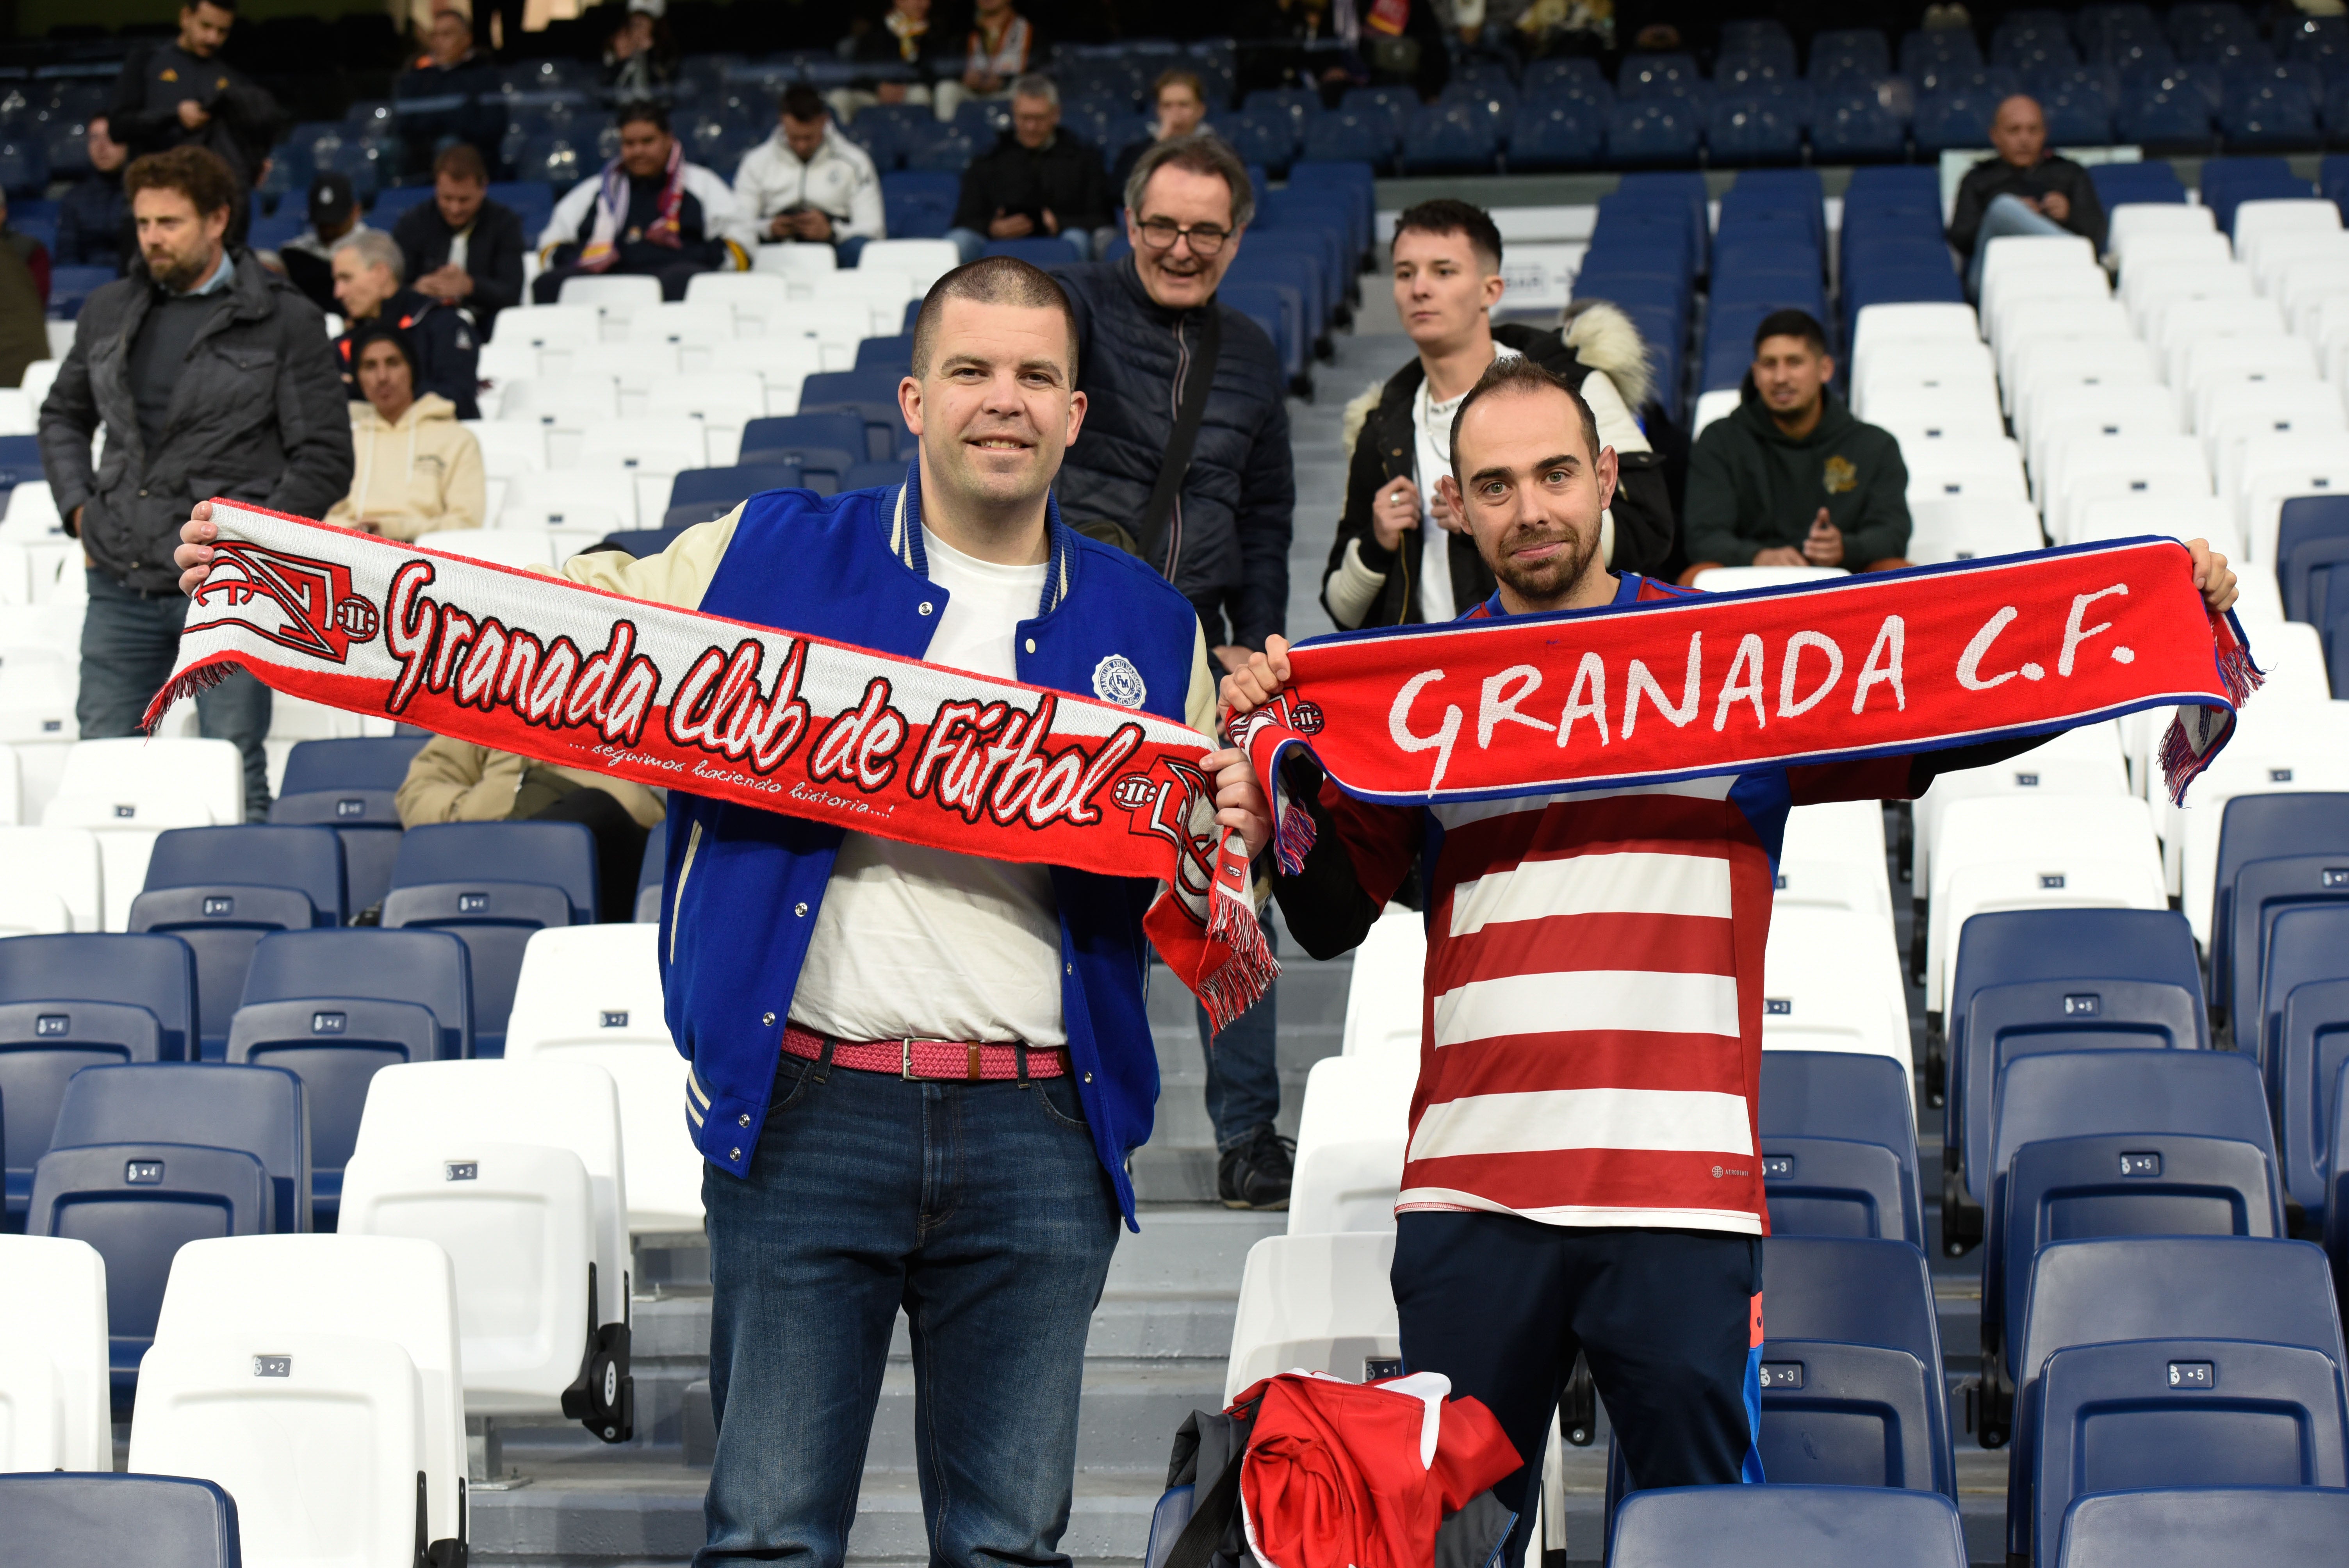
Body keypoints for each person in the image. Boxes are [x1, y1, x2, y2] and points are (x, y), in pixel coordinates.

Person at [177, 254, 1265, 1565]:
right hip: (809, 1105)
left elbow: (1201, 878)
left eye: (1037, 376)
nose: (1003, 401)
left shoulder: (1148, 625)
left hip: (1040, 1129)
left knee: (1005, 1546)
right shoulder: (759, 554)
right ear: (914, 398)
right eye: (971, 371)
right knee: (765, 1537)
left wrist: (1240, 821)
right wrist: (285, 577)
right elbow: (541, 632)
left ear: (1077, 414)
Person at [1220, 353, 2242, 1568]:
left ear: (1605, 475)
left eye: (1554, 473)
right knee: (1448, 1539)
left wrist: (2144, 612)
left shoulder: (1729, 657)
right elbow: (1335, 916)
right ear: (1455, 503)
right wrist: (1277, 781)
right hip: (1473, 1196)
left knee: (1702, 1537)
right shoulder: (1419, 694)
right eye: (1493, 485)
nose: (1528, 508)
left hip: (1676, 1199)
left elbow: (1942, 708)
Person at [1053, 131, 1296, 1208]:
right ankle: (1081, 1122)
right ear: (1129, 221)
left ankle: (1248, 1138)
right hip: (1068, 649)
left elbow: (1270, 510)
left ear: (1237, 240)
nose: (1182, 248)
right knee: (1076, 885)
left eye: (1207, 231)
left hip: (1198, 658)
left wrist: (1264, 635)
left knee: (1229, 884)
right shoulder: (1071, 314)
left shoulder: (1251, 350)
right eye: (1164, 226)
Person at [44, 145, 351, 818]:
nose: (151, 236)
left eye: (170, 222)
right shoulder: (108, 308)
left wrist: (247, 547)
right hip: (118, 578)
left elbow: (326, 455)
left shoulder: (285, 317)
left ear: (218, 219)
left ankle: (251, 912)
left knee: (234, 771)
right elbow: (63, 414)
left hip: (226, 590)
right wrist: (78, 513)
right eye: (144, 221)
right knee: (103, 771)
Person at [1322, 199, 1674, 630]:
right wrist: (1375, 544)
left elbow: (1653, 531)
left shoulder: (1574, 386)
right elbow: (1341, 610)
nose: (1419, 288)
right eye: (1404, 273)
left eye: (1443, 271)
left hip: (1573, 654)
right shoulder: (1380, 424)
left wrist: (1492, 522)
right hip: (1436, 681)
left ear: (1491, 290)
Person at [1681, 308, 1912, 581]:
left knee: (1899, 572)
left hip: (1846, 580)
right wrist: (1758, 556)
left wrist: (1845, 548)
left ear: (1825, 369)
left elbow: (1893, 532)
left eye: (1794, 362)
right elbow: (1702, 537)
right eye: (1769, 364)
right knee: (1695, 578)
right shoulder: (1719, 440)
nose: (1780, 377)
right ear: (1756, 373)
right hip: (1748, 581)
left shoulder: (1875, 445)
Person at [396, 734, 661, 923]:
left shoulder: (632, 684)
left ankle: (433, 900)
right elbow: (418, 792)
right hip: (504, 834)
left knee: (594, 809)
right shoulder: (489, 694)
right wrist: (476, 813)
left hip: (617, 847)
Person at [533, 101, 754, 303]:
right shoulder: (597, 190)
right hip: (605, 283)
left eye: (648, 142)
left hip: (672, 284)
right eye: (629, 143)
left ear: (669, 140)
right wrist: (590, 258)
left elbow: (740, 243)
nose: (638, 151)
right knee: (550, 283)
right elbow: (551, 245)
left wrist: (690, 258)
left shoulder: (701, 184)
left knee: (683, 278)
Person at [107, 0, 279, 216]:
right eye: (206, 26)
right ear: (186, 17)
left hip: (207, 210)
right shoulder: (147, 61)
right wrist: (174, 116)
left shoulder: (231, 79)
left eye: (222, 31)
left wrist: (255, 163)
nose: (212, 38)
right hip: (151, 203)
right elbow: (118, 127)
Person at [325, 318, 486, 540]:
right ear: (358, 378)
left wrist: (394, 530)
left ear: (412, 369)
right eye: (370, 366)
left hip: (427, 561)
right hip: (347, 554)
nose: (382, 377)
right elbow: (320, 518)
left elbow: (467, 524)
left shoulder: (457, 440)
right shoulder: (343, 437)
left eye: (393, 363)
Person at [1948, 93, 2107, 300]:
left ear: (2045, 133)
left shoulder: (2070, 172)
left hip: (2059, 275)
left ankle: (2074, 256)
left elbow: (2096, 233)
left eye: (2033, 130)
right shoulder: (1978, 178)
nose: (2025, 140)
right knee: (2003, 208)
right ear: (1995, 136)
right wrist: (2011, 218)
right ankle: (2079, 258)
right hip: (1994, 278)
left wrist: (2069, 216)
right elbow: (1961, 238)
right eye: (2014, 131)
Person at [946, 75, 1111, 264]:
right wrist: (993, 228)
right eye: (1024, 118)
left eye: (1039, 118)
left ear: (1056, 114)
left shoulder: (1084, 158)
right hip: (996, 238)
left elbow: (1103, 219)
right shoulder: (989, 158)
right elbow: (965, 218)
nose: (1031, 127)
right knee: (959, 241)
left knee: (1077, 239)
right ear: (1013, 113)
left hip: (1060, 237)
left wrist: (1058, 223)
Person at [331, 229, 480, 420]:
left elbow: (460, 404)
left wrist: (367, 388)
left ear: (381, 274)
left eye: (346, 279)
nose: (338, 292)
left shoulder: (443, 325)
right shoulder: (343, 343)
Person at [733, 84, 885, 264]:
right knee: (735, 247)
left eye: (809, 138)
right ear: (782, 121)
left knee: (863, 250)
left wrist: (832, 232)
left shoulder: (855, 162)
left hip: (835, 246)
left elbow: (874, 230)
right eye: (795, 138)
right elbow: (737, 224)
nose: (801, 146)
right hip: (773, 245)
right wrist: (768, 228)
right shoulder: (756, 162)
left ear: (824, 121)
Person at [393, 142, 526, 341]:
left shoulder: (505, 224)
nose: (455, 209)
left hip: (487, 326)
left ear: (484, 187)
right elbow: (391, 288)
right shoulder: (413, 223)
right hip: (422, 325)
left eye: (464, 200)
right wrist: (417, 290)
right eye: (447, 198)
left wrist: (469, 286)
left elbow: (511, 293)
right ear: (436, 187)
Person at [392, 5, 505, 179]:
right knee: (389, 148)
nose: (438, 42)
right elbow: (400, 122)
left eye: (447, 35)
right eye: (435, 35)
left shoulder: (485, 75)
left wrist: (447, 126)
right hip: (418, 153)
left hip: (470, 154)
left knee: (449, 146)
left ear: (467, 39)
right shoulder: (416, 76)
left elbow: (492, 127)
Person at [844, 0, 959, 116]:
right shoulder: (875, 31)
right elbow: (855, 73)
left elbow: (942, 73)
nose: (925, 4)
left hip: (913, 93)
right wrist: (878, 87)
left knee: (919, 94)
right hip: (874, 94)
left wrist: (905, 86)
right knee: (841, 98)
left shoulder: (934, 35)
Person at [278, 171, 368, 314]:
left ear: (356, 212)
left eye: (335, 222)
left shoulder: (375, 249)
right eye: (322, 222)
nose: (328, 229)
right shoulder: (294, 254)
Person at [1109, 68, 1210, 193]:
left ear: (1200, 110)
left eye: (1184, 105)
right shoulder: (1134, 154)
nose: (1175, 113)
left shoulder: (1218, 153)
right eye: (1167, 106)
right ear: (1158, 111)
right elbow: (1120, 192)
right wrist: (1158, 145)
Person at [57, 115, 131, 273]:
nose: (101, 147)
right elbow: (66, 257)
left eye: (111, 137)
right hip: (85, 284)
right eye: (94, 138)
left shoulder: (143, 195)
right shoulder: (74, 198)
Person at [961, 0, 1038, 101]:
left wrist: (1004, 81)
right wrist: (963, 76)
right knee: (947, 90)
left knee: (1023, 86)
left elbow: (1040, 70)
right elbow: (946, 66)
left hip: (1009, 93)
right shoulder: (966, 31)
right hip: (974, 92)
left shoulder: (1028, 30)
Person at [603, 0, 677, 100]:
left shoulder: (665, 51)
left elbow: (667, 87)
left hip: (654, 108)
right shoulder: (617, 46)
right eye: (634, 24)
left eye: (643, 24)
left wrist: (650, 53)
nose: (638, 31)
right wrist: (621, 58)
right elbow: (606, 90)